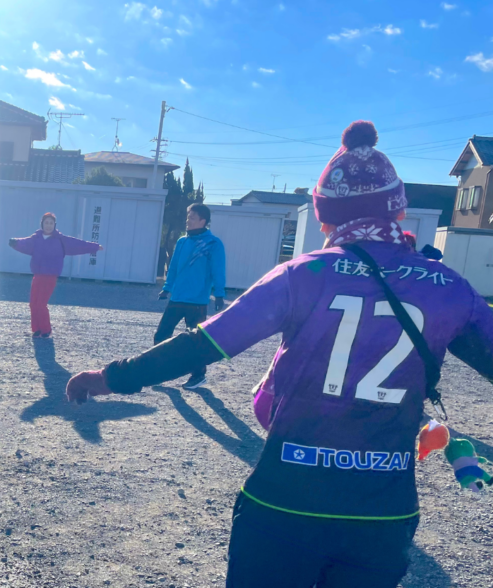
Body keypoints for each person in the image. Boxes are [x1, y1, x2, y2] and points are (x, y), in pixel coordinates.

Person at [65, 121, 493, 588]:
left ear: (325, 215)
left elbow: (205, 343)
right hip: (383, 510)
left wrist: (113, 376)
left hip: (286, 499)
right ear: (398, 210)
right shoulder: (450, 288)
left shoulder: (302, 274)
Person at [157, 203, 226, 389]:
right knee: (161, 335)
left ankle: (198, 376)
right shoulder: (182, 242)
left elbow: (218, 270)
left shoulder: (213, 244)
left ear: (203, 221)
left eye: (192, 217)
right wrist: (167, 287)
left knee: (195, 341)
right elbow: (173, 268)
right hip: (177, 298)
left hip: (197, 302)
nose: (188, 220)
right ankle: (158, 371)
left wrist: (219, 294)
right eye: (188, 217)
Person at [8, 212, 103, 338]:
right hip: (38, 275)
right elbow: (24, 243)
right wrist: (15, 242)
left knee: (41, 304)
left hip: (50, 277)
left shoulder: (61, 240)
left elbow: (78, 244)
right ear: (42, 224)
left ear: (54, 225)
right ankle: (36, 329)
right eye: (46, 223)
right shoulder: (36, 238)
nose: (48, 226)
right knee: (33, 303)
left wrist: (95, 247)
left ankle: (46, 330)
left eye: (51, 223)